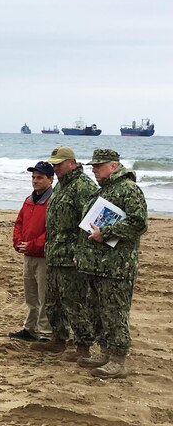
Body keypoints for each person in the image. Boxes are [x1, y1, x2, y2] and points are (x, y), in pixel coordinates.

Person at [74, 149, 148, 378]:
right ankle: (104, 351)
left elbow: (139, 224)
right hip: (96, 264)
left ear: (114, 166)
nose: (94, 170)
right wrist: (82, 252)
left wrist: (106, 233)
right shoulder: (103, 190)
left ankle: (117, 359)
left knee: (115, 312)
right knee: (96, 310)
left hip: (117, 266)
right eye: (93, 166)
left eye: (98, 165)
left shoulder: (128, 189)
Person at [33, 146, 98, 361]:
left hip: (71, 255)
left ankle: (82, 347)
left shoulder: (83, 186)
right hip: (54, 253)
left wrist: (81, 251)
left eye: (59, 164)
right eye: (54, 164)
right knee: (53, 301)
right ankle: (58, 339)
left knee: (74, 302)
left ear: (72, 162)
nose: (55, 167)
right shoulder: (61, 186)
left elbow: (89, 223)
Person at [9, 161, 54, 342]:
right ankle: (31, 328)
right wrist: (18, 242)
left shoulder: (53, 201)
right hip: (28, 254)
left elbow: (53, 230)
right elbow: (19, 222)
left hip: (43, 256)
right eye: (33, 177)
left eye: (40, 177)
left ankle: (45, 332)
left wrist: (34, 244)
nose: (35, 181)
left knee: (44, 296)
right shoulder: (29, 200)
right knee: (31, 294)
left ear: (50, 179)